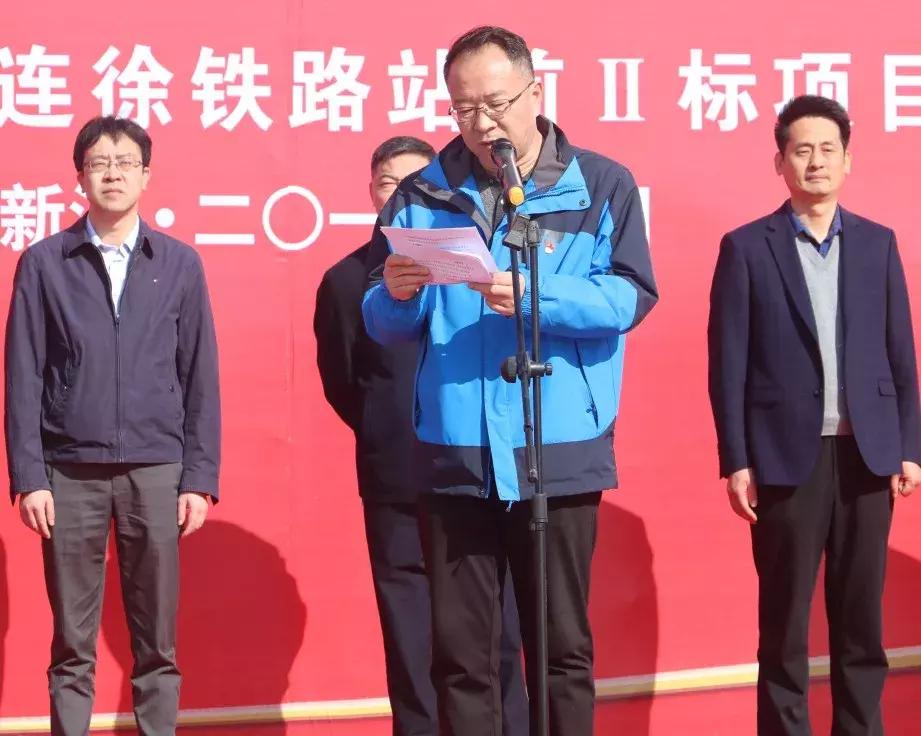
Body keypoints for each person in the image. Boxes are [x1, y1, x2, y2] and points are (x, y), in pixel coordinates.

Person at [362, 26, 657, 736]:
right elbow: (380, 318)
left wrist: (534, 297)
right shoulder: (422, 192)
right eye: (464, 108)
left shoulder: (601, 185)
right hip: (455, 449)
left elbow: (627, 298)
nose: (481, 123)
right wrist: (395, 294)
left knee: (560, 650)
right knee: (462, 656)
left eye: (495, 104)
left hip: (557, 443)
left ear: (536, 92)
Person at [708, 94, 921, 735]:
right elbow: (727, 364)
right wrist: (736, 459)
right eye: (802, 150)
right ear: (780, 162)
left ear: (848, 160)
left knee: (861, 625)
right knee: (785, 627)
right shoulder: (747, 247)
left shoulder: (878, 244)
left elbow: (901, 354)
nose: (816, 161)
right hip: (783, 458)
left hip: (867, 456)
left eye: (829, 149)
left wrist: (910, 445)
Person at [5, 115, 221, 736]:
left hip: (156, 470)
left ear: (146, 176)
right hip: (68, 472)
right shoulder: (45, 263)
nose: (113, 174)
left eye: (126, 163)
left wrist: (198, 478)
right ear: (80, 176)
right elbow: (23, 375)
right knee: (72, 642)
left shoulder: (177, 264)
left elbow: (200, 375)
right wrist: (30, 476)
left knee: (157, 642)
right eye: (99, 163)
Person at [314, 135, 528, 736]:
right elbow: (344, 382)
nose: (401, 194)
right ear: (373, 192)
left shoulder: (482, 271)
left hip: (475, 473)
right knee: (409, 635)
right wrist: (391, 428)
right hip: (396, 480)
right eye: (390, 183)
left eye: (415, 183)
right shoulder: (345, 280)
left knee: (495, 628)